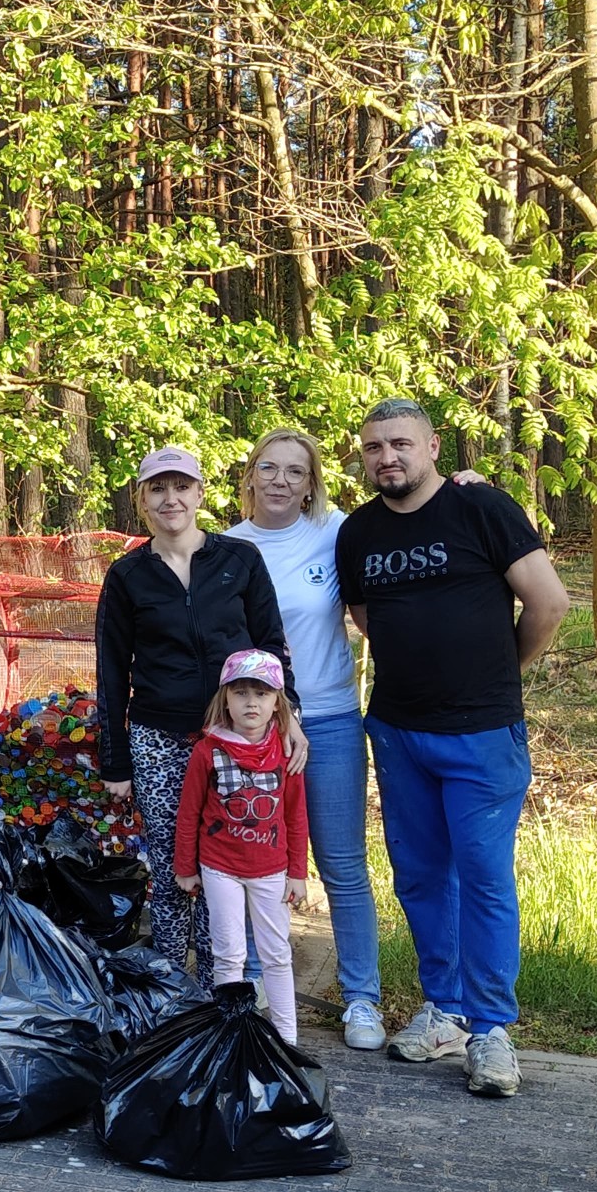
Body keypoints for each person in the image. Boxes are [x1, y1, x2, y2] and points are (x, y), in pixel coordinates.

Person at [336, 398, 569, 1099]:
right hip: (401, 732)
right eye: (374, 447)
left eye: (401, 444)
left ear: (433, 446)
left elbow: (550, 603)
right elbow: (367, 618)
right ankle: (443, 1011)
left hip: (482, 734)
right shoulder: (359, 532)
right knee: (421, 875)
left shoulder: (482, 509)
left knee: (485, 875)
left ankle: (492, 1029)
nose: (388, 458)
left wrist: (501, 675)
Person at [96, 445, 298, 984]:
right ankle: (167, 982)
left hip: (234, 738)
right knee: (171, 863)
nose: (171, 499)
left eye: (181, 487)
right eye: (158, 489)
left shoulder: (239, 561)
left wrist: (287, 715)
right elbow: (111, 671)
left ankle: (218, 984)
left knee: (222, 862)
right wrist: (115, 763)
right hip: (159, 736)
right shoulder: (128, 576)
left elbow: (272, 647)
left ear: (199, 493)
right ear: (142, 501)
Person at [226, 429, 386, 1049]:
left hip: (330, 720)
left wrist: (464, 486)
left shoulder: (337, 531)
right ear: (251, 476)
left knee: (342, 864)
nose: (281, 481)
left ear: (312, 482)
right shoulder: (228, 548)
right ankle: (252, 981)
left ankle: (362, 999)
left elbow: (409, 518)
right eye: (269, 468)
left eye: (296, 472)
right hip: (253, 731)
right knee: (248, 861)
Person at [172, 649, 312, 1047]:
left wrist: (298, 872)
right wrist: (186, 867)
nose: (252, 702)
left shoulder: (286, 751)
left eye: (263, 694)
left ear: (276, 702)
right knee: (228, 953)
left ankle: (286, 1039)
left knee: (276, 954)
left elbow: (295, 816)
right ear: (226, 698)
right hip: (220, 868)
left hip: (271, 868)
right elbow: (189, 811)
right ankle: (230, 1038)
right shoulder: (208, 750)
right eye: (242, 693)